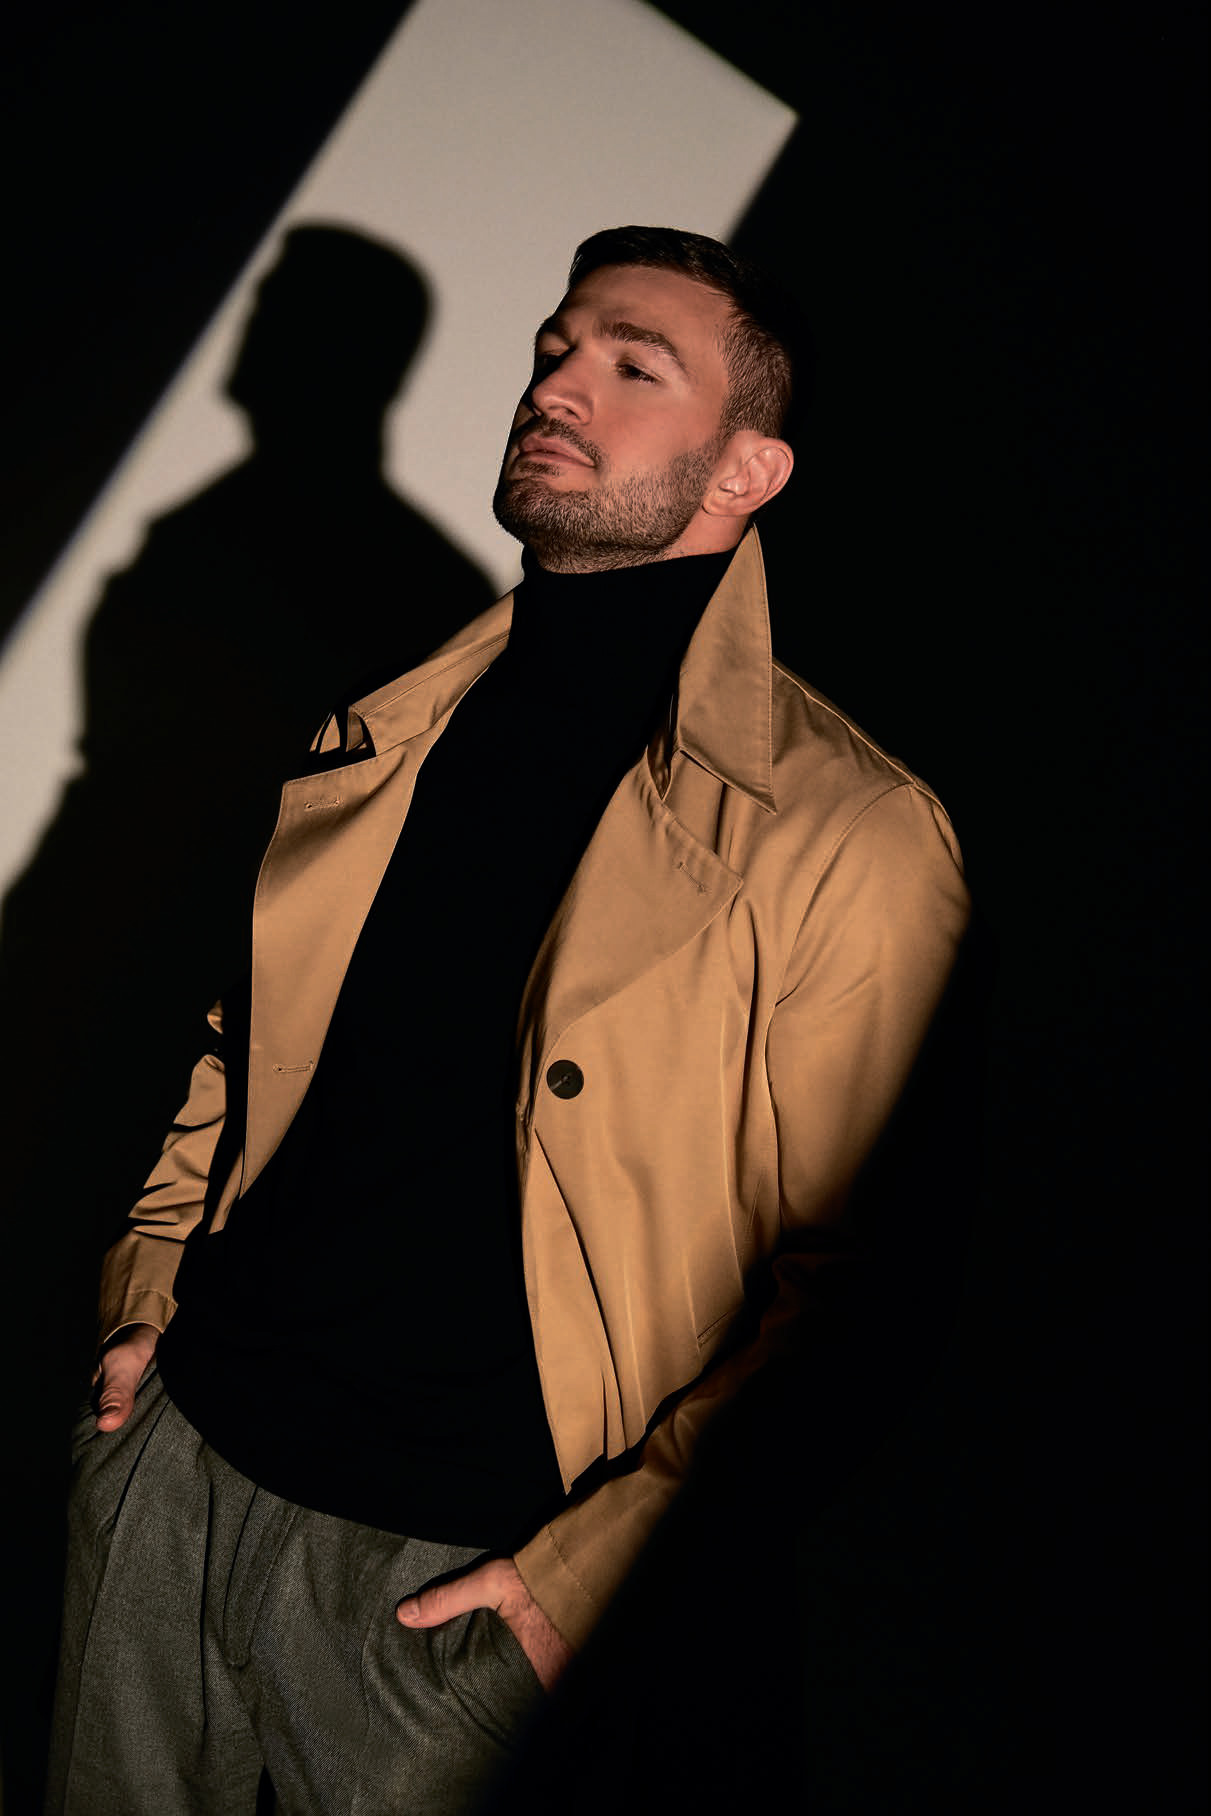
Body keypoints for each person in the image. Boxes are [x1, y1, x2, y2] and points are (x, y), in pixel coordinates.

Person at [46, 226, 970, 1815]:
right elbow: (242, 1037)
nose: (559, 387)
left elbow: (860, 1289)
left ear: (748, 468)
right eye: (556, 349)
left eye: (633, 365)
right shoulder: (399, 713)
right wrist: (146, 1301)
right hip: (182, 1471)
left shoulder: (852, 831)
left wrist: (586, 1576)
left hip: (459, 1583)